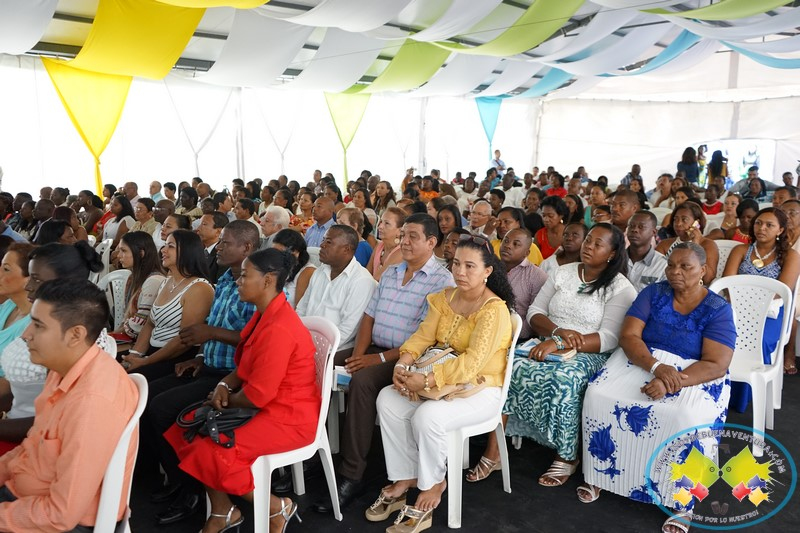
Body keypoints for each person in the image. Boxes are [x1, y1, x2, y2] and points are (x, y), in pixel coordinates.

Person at [579, 243, 736, 533]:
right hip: (645, 360)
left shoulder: (717, 308)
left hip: (693, 372)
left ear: (703, 270)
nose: (675, 272)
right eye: (671, 265)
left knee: (683, 415)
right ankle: (601, 475)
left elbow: (717, 363)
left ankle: (682, 501)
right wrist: (655, 367)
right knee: (599, 395)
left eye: (685, 266)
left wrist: (670, 381)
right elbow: (629, 336)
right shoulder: (654, 292)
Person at [163, 249, 318, 533]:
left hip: (288, 417)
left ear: (268, 280)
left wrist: (225, 401)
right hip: (263, 405)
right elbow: (246, 365)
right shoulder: (264, 314)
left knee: (213, 445)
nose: (238, 281)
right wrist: (223, 386)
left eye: (245, 276)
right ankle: (223, 511)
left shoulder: (279, 328)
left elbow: (259, 395)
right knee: (192, 428)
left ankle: (275, 507)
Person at [313, 213, 454, 514]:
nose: (404, 242)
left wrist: (373, 360)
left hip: (409, 358)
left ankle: (352, 474)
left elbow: (424, 338)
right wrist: (358, 355)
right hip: (375, 349)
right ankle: (308, 445)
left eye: (413, 236)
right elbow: (369, 316)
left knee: (363, 381)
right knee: (319, 362)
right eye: (403, 236)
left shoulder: (442, 281)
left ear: (431, 242)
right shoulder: (391, 272)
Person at [368, 236, 514, 527]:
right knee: (388, 398)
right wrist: (403, 364)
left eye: (470, 266)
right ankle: (406, 475)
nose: (460, 271)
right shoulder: (445, 297)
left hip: (481, 389)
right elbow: (423, 336)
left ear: (487, 271)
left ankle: (433, 483)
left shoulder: (494, 310)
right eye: (456, 264)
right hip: (442, 381)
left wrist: (427, 380)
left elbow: (472, 363)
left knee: (428, 416)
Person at [479, 224, 636, 487]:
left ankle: (566, 455)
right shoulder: (563, 272)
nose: (588, 246)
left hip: (591, 354)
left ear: (611, 253)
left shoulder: (619, 287)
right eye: (588, 240)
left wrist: (562, 343)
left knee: (565, 379)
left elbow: (610, 337)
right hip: (548, 340)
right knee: (509, 365)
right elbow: (535, 312)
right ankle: (494, 451)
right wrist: (556, 334)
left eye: (597, 244)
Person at [143, 221, 260, 525]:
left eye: (226, 243)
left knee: (162, 408)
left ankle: (193, 491)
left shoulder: (256, 285)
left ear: (246, 248)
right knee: (146, 396)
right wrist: (197, 355)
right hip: (208, 365)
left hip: (232, 376)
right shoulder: (225, 279)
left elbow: (254, 339)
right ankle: (178, 480)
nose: (218, 248)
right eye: (219, 242)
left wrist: (211, 333)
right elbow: (212, 326)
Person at [0, 278, 138, 532]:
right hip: (24, 496)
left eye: (38, 325)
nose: (25, 335)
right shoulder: (63, 368)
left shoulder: (91, 403)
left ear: (75, 335)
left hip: (54, 520)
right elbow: (31, 447)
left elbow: (59, 515)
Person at [722, 208, 800, 406]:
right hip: (736, 307)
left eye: (769, 225)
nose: (761, 228)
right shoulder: (740, 250)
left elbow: (781, 290)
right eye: (758, 223)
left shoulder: (790, 255)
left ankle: (743, 396)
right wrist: (742, 304)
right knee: (719, 336)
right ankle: (718, 388)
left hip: (771, 313)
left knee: (760, 341)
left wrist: (752, 302)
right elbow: (728, 283)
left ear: (780, 230)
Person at [122, 230, 214, 381]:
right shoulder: (167, 282)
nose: (163, 250)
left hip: (177, 358)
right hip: (153, 352)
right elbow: (150, 324)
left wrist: (146, 361)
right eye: (164, 245)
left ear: (187, 251)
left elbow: (184, 341)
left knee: (129, 382)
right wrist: (135, 355)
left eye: (170, 246)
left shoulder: (199, 288)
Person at [297, 225, 377, 350]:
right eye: (323, 240)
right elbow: (301, 310)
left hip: (333, 349)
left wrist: (313, 348)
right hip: (304, 341)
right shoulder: (320, 271)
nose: (322, 245)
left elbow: (347, 330)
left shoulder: (361, 281)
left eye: (329, 242)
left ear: (346, 249)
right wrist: (297, 338)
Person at [112, 231, 166, 342]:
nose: (118, 255)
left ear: (141, 253)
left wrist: (111, 336)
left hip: (144, 342)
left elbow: (138, 326)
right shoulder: (132, 278)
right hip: (131, 337)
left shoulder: (153, 281)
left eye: (123, 251)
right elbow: (127, 320)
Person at [499, 228, 548, 341]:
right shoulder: (490, 268)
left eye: (516, 244)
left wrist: (513, 336)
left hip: (518, 337)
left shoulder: (537, 276)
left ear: (527, 253)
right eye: (506, 241)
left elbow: (536, 315)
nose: (508, 246)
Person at [656, 202, 719, 286]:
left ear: (696, 223)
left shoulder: (708, 245)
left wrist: (695, 245)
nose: (678, 224)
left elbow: (708, 279)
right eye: (675, 219)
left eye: (684, 219)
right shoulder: (664, 244)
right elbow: (654, 271)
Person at [0, 244, 35, 377]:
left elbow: (12, 382)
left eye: (6, 269)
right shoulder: (9, 305)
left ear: (29, 279)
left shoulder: (32, 325)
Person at [272, 229, 316, 308]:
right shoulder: (278, 266)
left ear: (295, 251)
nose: (276, 256)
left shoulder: (307, 271)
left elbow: (299, 308)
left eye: (280, 252)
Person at [625, 211, 667, 292]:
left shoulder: (663, 265)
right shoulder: (615, 259)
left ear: (653, 232)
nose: (634, 230)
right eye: (631, 226)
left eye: (641, 227)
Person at [368, 207, 407, 281]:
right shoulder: (380, 246)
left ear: (400, 231)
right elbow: (367, 273)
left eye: (387, 223)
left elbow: (378, 278)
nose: (380, 226)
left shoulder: (401, 251)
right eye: (381, 222)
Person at [195, 212, 228, 284]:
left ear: (218, 232)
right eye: (199, 224)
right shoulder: (197, 250)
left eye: (204, 224)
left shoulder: (224, 255)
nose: (198, 229)